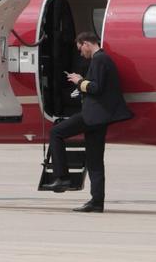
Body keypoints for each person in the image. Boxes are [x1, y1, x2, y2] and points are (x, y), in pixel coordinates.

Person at [44, 31, 134, 213]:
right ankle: (97, 202)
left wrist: (79, 81)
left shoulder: (100, 59)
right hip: (99, 118)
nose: (80, 53)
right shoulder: (102, 60)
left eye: (80, 49)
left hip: (93, 115)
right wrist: (82, 81)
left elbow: (96, 87)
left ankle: (62, 177)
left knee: (56, 133)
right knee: (94, 161)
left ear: (86, 43)